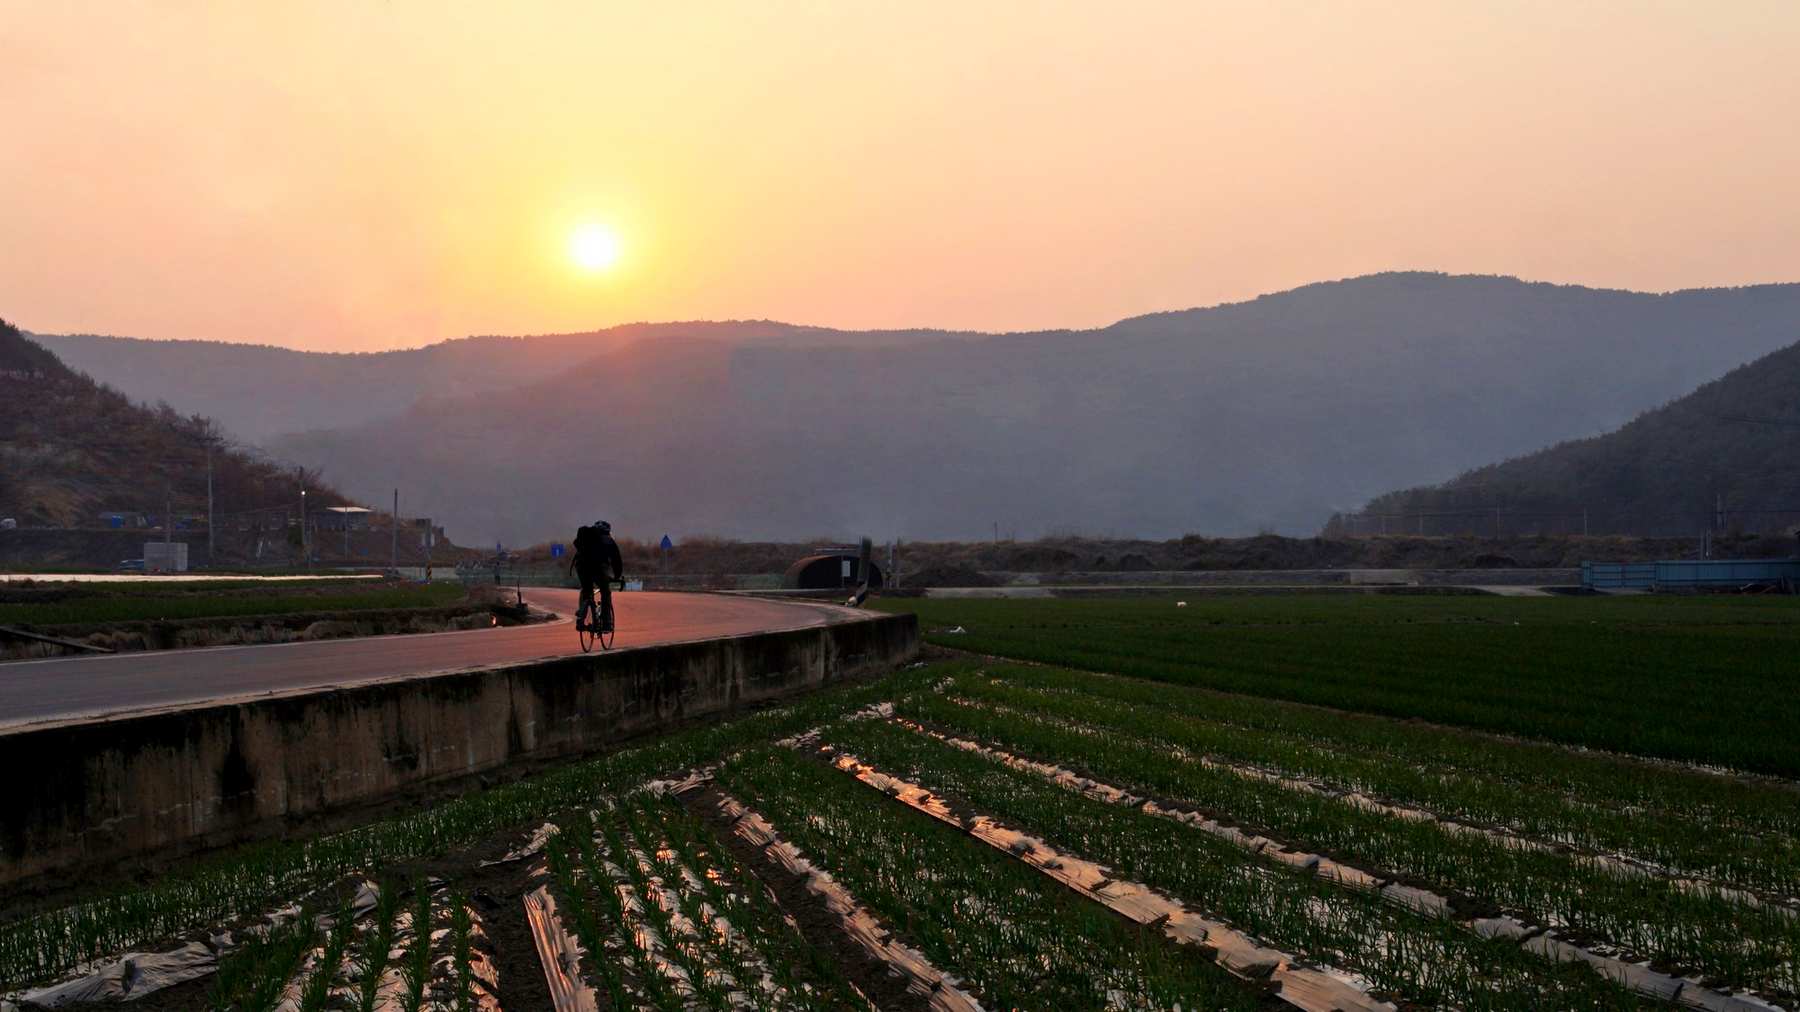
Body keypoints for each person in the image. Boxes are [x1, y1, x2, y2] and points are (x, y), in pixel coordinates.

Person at [569, 520, 623, 632]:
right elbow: (616, 561)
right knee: (605, 592)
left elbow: (577, 548)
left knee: (586, 590)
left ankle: (581, 615)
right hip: (597, 569)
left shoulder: (586, 537)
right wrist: (617, 576)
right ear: (608, 531)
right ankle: (607, 624)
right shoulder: (609, 540)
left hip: (581, 568)